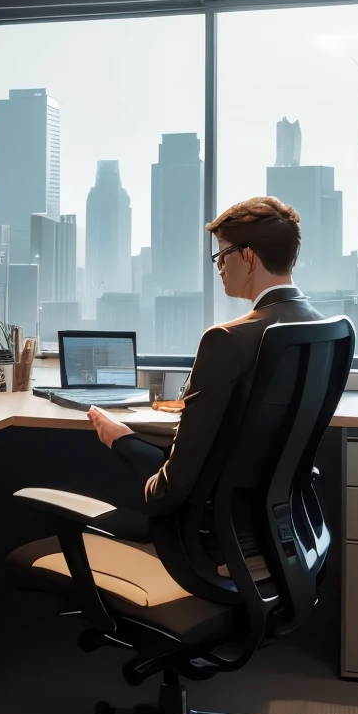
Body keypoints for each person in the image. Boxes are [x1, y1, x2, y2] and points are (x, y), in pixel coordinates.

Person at [89, 195, 324, 517]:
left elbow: (169, 492)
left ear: (248, 257)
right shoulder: (323, 328)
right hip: (282, 524)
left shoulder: (227, 339)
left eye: (223, 254)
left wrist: (125, 442)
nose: (219, 267)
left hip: (204, 536)